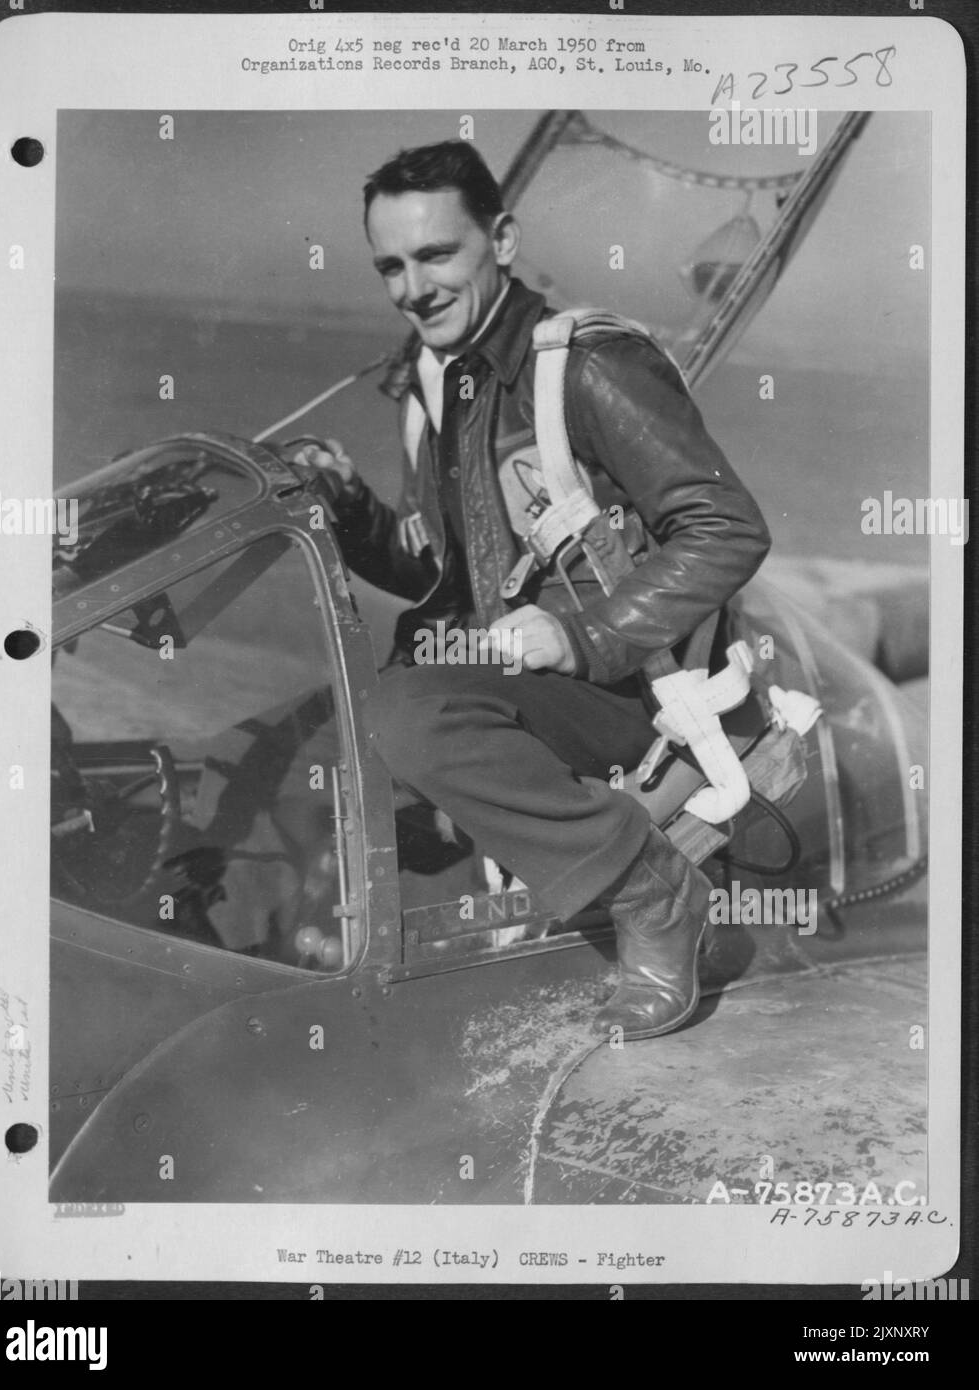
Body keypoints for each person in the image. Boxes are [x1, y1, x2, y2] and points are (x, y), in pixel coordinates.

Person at [295, 140, 771, 1040]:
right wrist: (347, 508)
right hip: (543, 685)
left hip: (636, 691)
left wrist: (585, 636)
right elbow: (436, 567)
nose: (413, 288)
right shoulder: (442, 386)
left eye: (437, 255)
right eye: (391, 266)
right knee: (342, 723)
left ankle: (656, 895)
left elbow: (725, 526)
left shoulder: (585, 366)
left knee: (412, 715)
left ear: (501, 241)